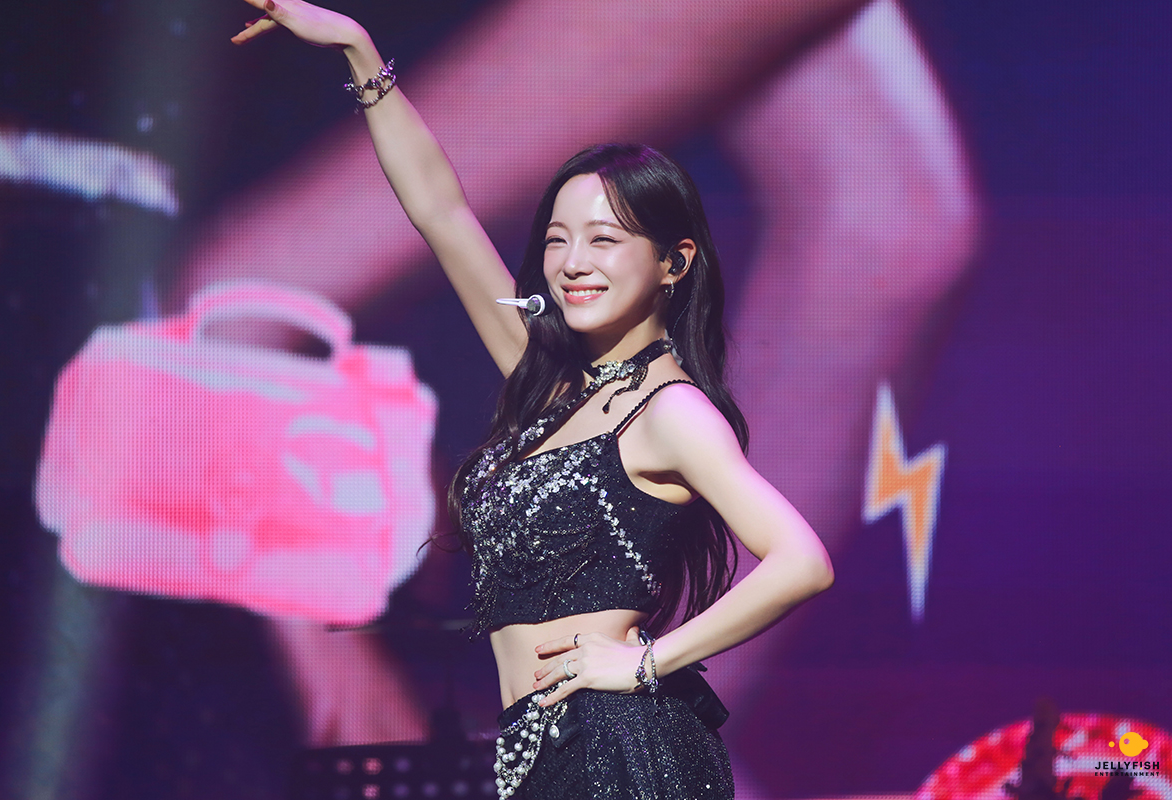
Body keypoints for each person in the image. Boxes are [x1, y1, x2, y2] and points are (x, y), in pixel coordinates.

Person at [232, 0, 836, 797]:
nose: (573, 262)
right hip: (536, 748)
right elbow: (441, 213)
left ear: (673, 263)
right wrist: (357, 49)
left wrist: (647, 662)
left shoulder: (670, 412)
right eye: (558, 239)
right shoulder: (548, 383)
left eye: (605, 239)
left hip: (618, 749)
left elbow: (802, 562)